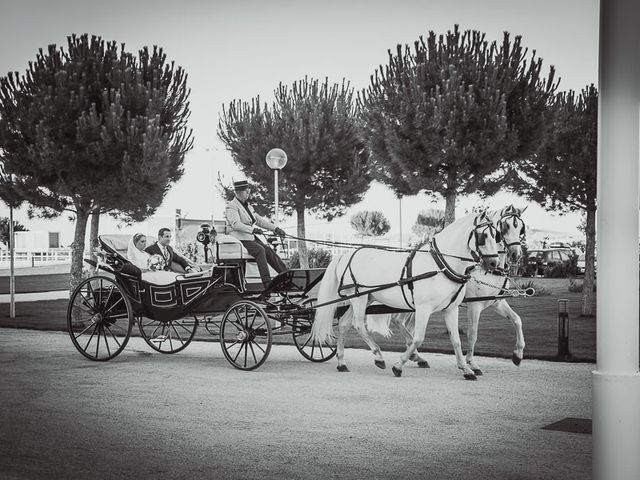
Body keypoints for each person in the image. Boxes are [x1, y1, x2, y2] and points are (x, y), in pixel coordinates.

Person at [225, 179, 287, 287]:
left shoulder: (249, 207)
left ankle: (286, 275)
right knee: (260, 250)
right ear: (238, 192)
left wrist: (276, 229)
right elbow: (236, 224)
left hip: (249, 238)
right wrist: (252, 230)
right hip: (239, 239)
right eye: (246, 191)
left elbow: (260, 221)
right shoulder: (231, 206)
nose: (248, 193)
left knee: (268, 250)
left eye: (248, 191)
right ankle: (267, 282)